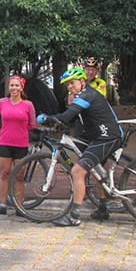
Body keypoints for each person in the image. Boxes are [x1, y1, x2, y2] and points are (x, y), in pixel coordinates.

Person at [37, 67, 123, 226]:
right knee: (97, 172)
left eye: (72, 83)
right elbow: (72, 117)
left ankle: (74, 216)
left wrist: (46, 118)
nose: (70, 87)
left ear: (82, 82)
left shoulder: (87, 95)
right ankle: (103, 209)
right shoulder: (82, 95)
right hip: (98, 138)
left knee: (78, 171)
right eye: (67, 85)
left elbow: (67, 116)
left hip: (106, 138)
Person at [0, 75, 36, 216]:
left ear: (21, 88)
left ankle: (19, 205)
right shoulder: (2, 102)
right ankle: (2, 204)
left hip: (21, 144)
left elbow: (32, 124)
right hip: (5, 143)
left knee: (19, 175)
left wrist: (21, 129)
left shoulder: (28, 105)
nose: (14, 88)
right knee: (4, 173)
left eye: (17, 85)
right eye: (12, 85)